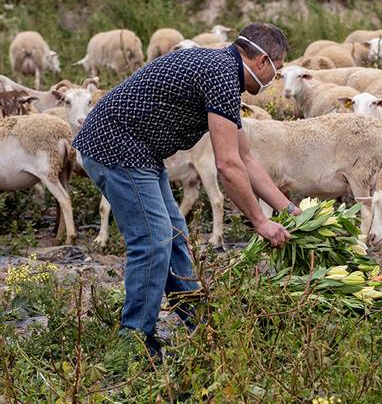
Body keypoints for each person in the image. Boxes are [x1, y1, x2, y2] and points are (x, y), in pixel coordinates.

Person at [73, 22, 301, 357]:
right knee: (152, 242)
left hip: (142, 152)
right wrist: (261, 222)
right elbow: (227, 165)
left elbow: (245, 157)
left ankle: (202, 326)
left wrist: (288, 210)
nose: (273, 80)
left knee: (173, 235)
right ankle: (134, 342)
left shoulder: (222, 71)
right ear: (262, 60)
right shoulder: (222, 74)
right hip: (117, 147)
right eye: (276, 71)